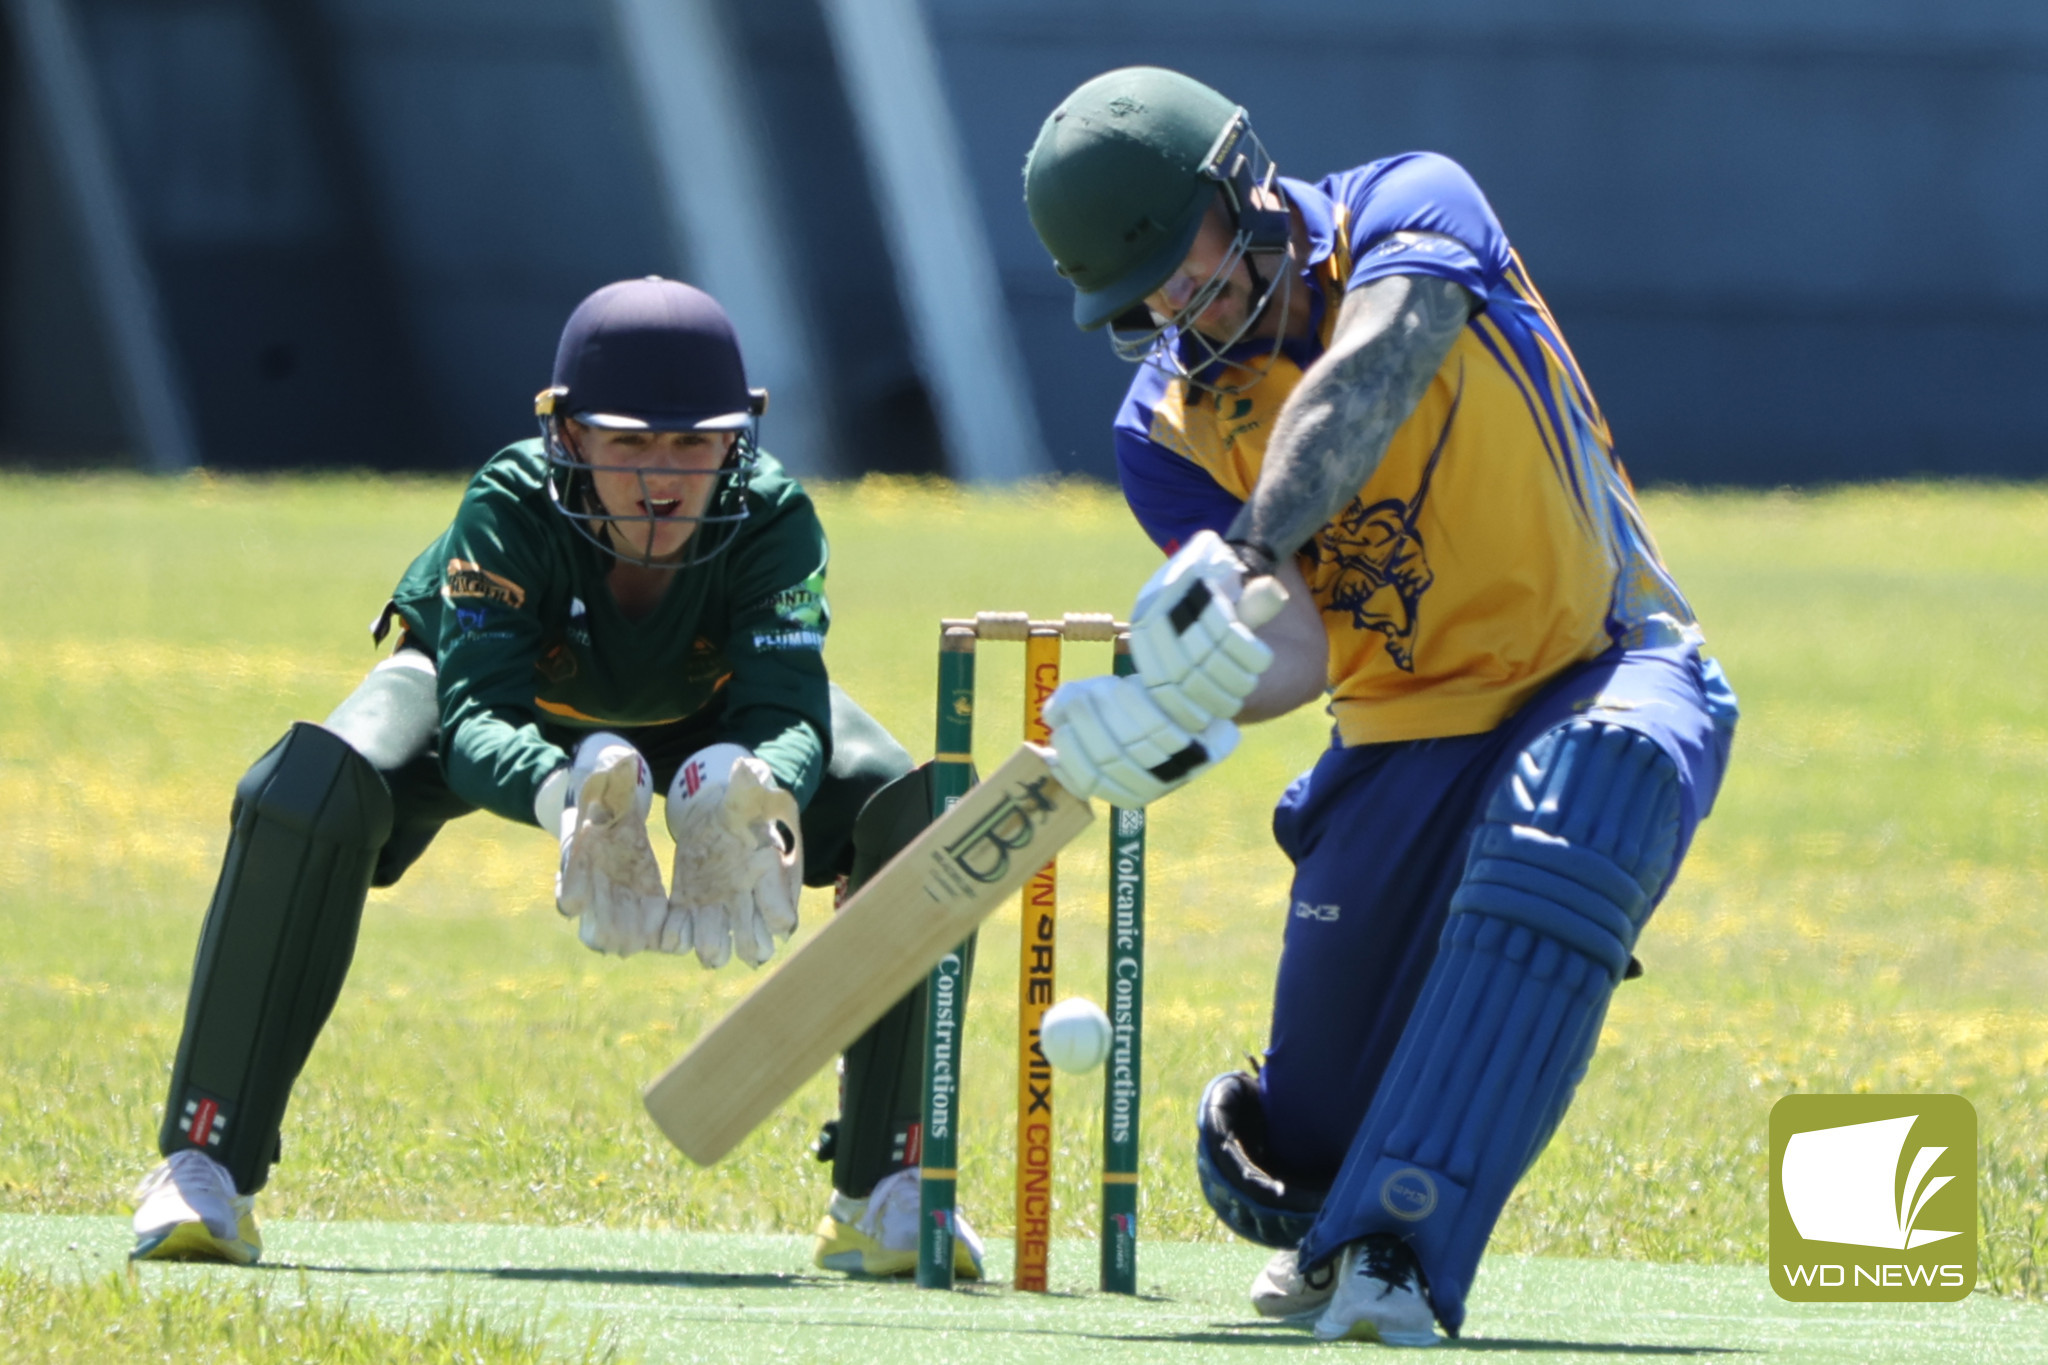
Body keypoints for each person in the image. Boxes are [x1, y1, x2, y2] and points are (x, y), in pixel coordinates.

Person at [1023, 69, 1738, 1345]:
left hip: (1604, 658)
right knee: (1296, 1156)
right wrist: (1185, 712)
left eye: (1183, 266)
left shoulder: (1408, 210)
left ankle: (1395, 1249)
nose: (1178, 309)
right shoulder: (1163, 428)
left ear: (1236, 184)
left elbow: (1375, 372)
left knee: (1582, 800)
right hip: (1399, 736)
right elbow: (1293, 642)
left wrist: (1241, 552)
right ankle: (1333, 1207)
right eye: (1145, 300)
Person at [128, 276, 984, 1281]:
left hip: (704, 715)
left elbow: (789, 704)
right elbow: (476, 710)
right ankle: (203, 1164)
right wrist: (565, 795)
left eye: (689, 444)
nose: (660, 480)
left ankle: (889, 1185)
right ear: (568, 437)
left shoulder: (774, 514)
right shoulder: (508, 501)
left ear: (735, 441)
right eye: (627, 443)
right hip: (511, 705)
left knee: (918, 810)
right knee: (304, 789)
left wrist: (755, 790)